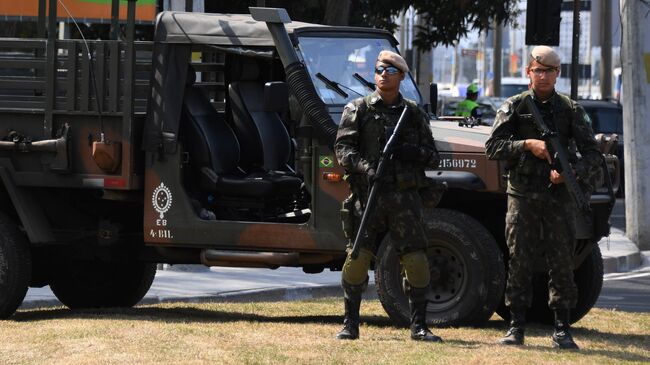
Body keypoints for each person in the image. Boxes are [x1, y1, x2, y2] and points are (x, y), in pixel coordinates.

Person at [485, 46, 603, 350]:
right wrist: (527, 145)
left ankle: (562, 327)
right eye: (538, 70)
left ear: (557, 74)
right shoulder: (514, 106)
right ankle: (516, 325)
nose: (543, 76)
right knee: (520, 258)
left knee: (561, 260)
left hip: (558, 196)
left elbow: (592, 154)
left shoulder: (571, 110)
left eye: (549, 71)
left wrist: (570, 173)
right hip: (522, 195)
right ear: (528, 72)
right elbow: (493, 147)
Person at [333, 50, 442, 342]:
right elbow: (343, 149)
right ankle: (350, 323)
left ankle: (419, 326)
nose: (383, 75)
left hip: (405, 198)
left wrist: (412, 153)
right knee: (356, 258)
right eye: (380, 69)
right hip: (368, 196)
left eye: (390, 71)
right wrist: (366, 168)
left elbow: (433, 158)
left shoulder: (413, 114)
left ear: (401, 78)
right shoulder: (358, 109)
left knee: (415, 259)